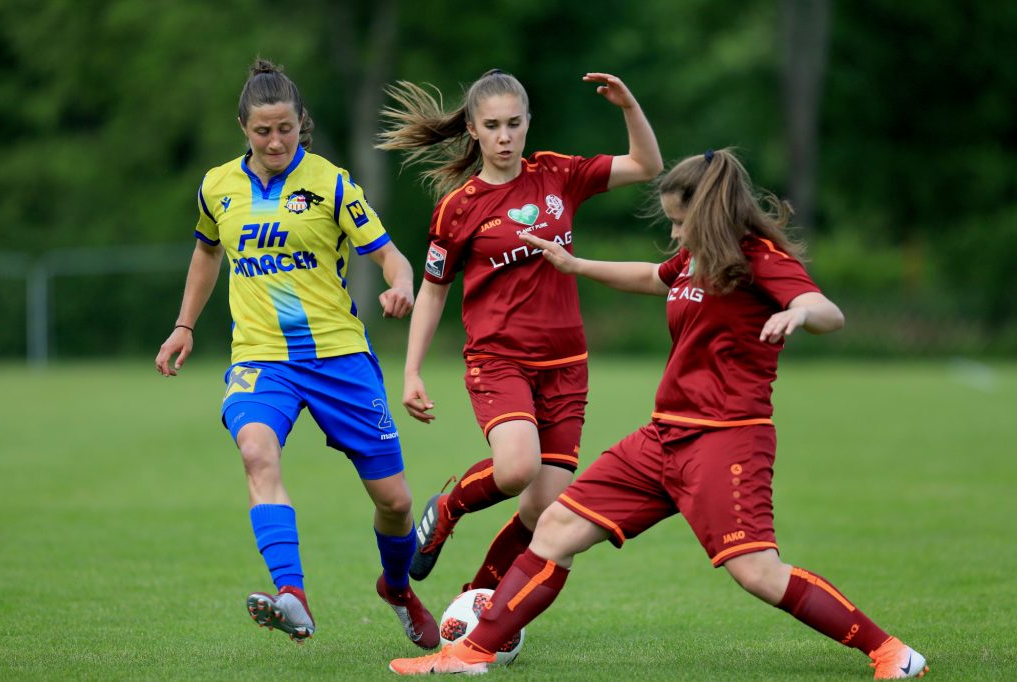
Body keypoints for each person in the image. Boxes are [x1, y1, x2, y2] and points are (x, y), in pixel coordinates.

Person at [387, 149, 929, 679]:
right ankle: (470, 654)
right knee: (555, 525)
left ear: (708, 212)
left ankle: (891, 653)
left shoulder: (757, 256)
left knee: (757, 572)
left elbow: (826, 311)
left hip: (725, 442)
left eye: (678, 221)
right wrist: (576, 266)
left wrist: (799, 314)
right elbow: (653, 277)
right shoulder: (696, 257)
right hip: (662, 438)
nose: (673, 232)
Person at [154, 58, 439, 649]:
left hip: (338, 357)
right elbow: (207, 251)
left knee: (395, 502)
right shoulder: (216, 187)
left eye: (285, 128)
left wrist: (402, 285)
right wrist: (184, 325)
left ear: (301, 122)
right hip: (261, 358)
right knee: (255, 452)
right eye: (263, 131)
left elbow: (389, 255)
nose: (275, 141)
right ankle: (293, 595)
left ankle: (397, 588)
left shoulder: (331, 183)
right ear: (243, 127)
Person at [375, 69, 663, 591]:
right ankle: (448, 509)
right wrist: (412, 371)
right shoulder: (458, 207)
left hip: (566, 366)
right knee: (514, 468)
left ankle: (481, 599)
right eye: (492, 126)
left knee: (543, 508)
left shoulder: (558, 174)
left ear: (529, 122)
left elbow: (647, 165)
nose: (504, 136)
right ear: (473, 129)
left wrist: (628, 105)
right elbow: (434, 291)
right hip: (499, 360)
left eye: (514, 123)